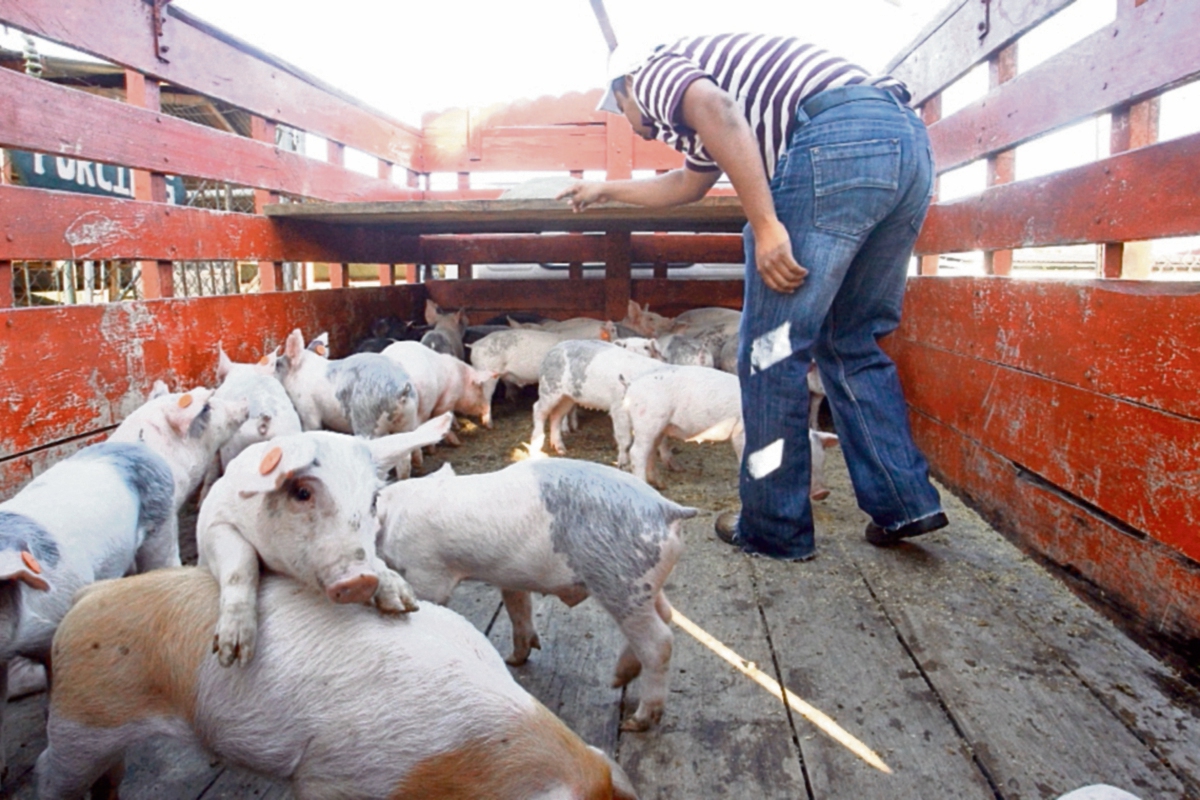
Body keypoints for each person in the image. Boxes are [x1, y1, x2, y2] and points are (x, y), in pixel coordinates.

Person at [558, 33, 947, 561]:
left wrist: (766, 225)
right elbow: (688, 186)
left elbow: (715, 108)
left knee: (769, 354)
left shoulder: (649, 69)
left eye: (620, 108)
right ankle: (905, 502)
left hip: (835, 143)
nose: (631, 121)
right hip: (907, 147)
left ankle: (773, 525)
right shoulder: (709, 111)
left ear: (624, 86)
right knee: (850, 342)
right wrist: (605, 189)